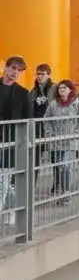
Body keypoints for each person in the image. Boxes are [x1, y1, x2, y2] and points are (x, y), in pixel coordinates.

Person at [42, 80, 79, 204]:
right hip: (56, 141)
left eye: (64, 87)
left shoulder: (78, 105)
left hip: (71, 142)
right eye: (60, 88)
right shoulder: (53, 104)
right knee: (59, 166)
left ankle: (66, 194)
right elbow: (46, 119)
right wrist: (50, 134)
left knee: (65, 166)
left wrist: (77, 134)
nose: (61, 90)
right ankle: (62, 190)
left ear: (70, 89)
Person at [0, 57, 31, 223]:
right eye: (13, 68)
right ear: (6, 68)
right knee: (3, 180)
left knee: (3, 178)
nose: (15, 73)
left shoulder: (23, 93)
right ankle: (14, 205)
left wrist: (25, 142)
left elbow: (28, 120)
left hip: (10, 142)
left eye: (18, 70)